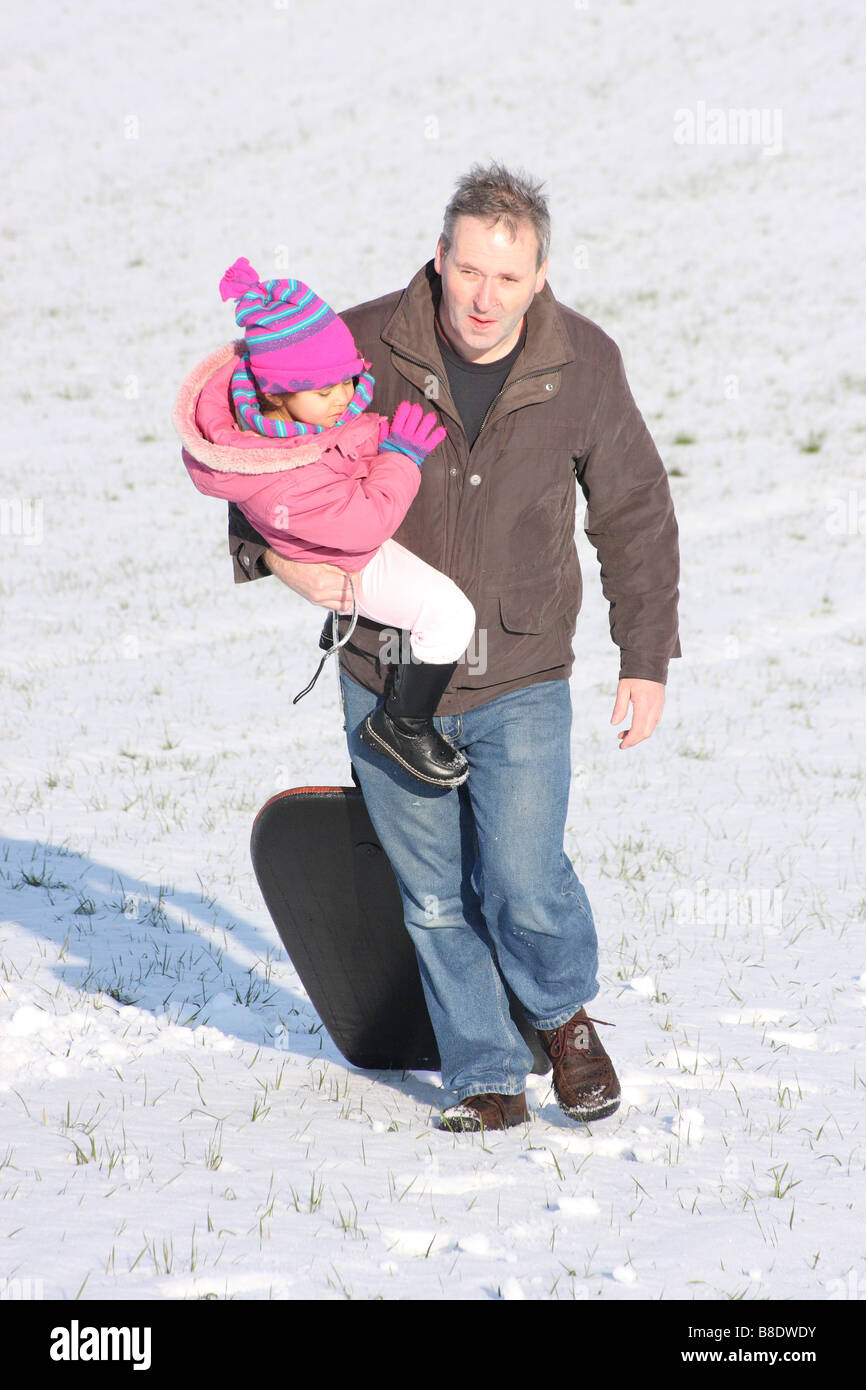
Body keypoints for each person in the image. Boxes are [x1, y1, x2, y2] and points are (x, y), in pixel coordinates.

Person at [227, 163, 681, 1132]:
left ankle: (559, 1018)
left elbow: (634, 511)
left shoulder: (583, 363)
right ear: (439, 257)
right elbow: (245, 453)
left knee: (521, 877)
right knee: (432, 897)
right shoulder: (352, 343)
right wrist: (274, 556)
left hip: (520, 673)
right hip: (384, 668)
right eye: (467, 269)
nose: (482, 296)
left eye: (506, 278)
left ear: (540, 275)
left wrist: (642, 655)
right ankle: (481, 1069)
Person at [174, 257, 476, 787]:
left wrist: (374, 436)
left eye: (347, 380)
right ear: (275, 394)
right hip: (348, 561)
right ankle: (403, 723)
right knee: (450, 615)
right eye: (325, 391)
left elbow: (338, 443)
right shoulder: (275, 477)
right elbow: (364, 524)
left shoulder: (297, 419)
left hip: (344, 541)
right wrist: (401, 457)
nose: (343, 398)